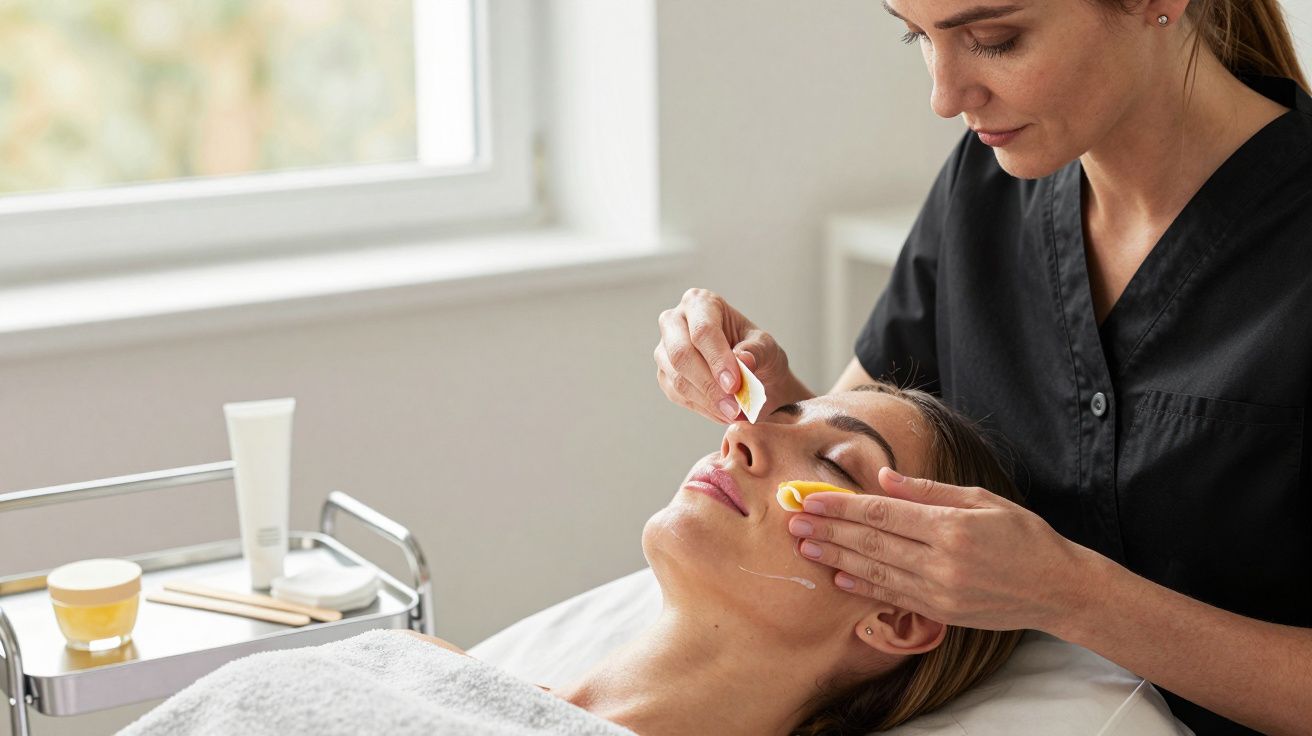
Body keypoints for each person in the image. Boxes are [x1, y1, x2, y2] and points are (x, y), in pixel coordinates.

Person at [652, 1, 1312, 734]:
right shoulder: (985, 182)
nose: (944, 97)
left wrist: (1073, 596)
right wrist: (777, 402)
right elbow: (869, 472)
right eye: (916, 35)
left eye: (995, 40)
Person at [121, 384, 1026, 736]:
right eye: (773, 414)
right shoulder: (419, 665)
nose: (743, 437)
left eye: (836, 464)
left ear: (900, 615)